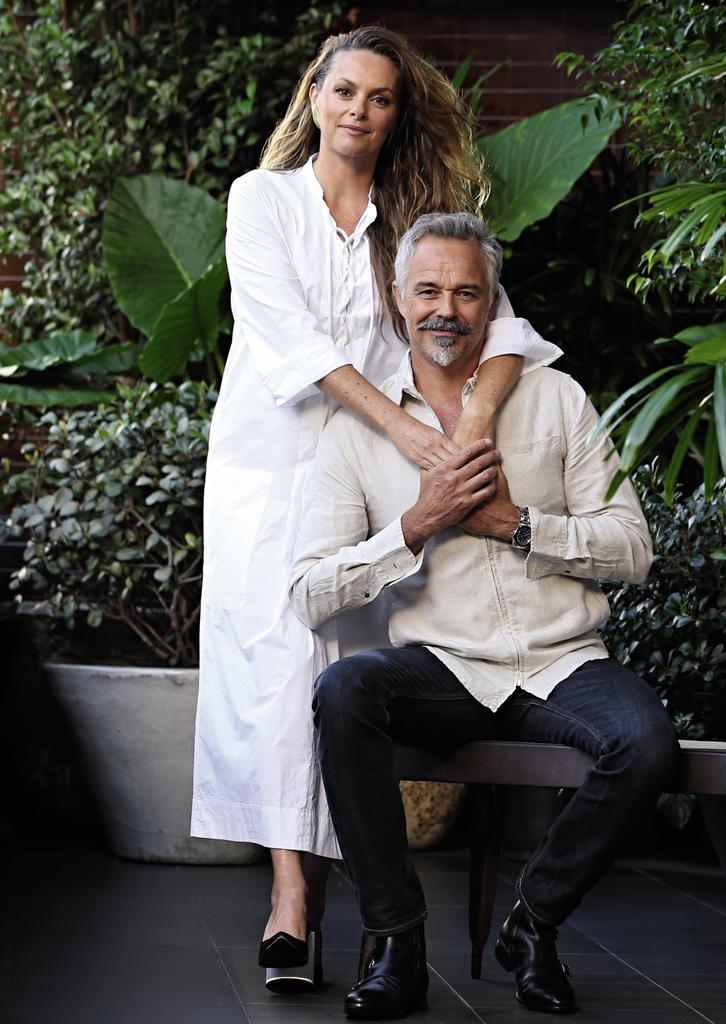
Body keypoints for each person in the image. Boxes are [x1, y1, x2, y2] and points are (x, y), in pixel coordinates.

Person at [191, 26, 561, 992]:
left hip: (383, 477)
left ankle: (376, 911)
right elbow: (296, 344)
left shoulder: (414, 215)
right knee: (278, 672)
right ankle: (291, 904)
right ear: (314, 94)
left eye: (381, 98)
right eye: (344, 90)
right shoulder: (260, 201)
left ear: (399, 114)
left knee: (359, 673)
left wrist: (470, 419)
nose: (359, 110)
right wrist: (413, 437)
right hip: (272, 469)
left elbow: (504, 325)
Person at [289, 212, 680, 1018]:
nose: (446, 309)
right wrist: (415, 525)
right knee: (345, 693)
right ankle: (397, 942)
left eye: (467, 293)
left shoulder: (554, 397)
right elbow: (309, 591)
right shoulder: (356, 432)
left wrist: (519, 523)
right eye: (428, 290)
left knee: (645, 743)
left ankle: (533, 921)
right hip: (443, 662)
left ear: (491, 300)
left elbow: (633, 547)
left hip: (562, 657)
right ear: (398, 299)